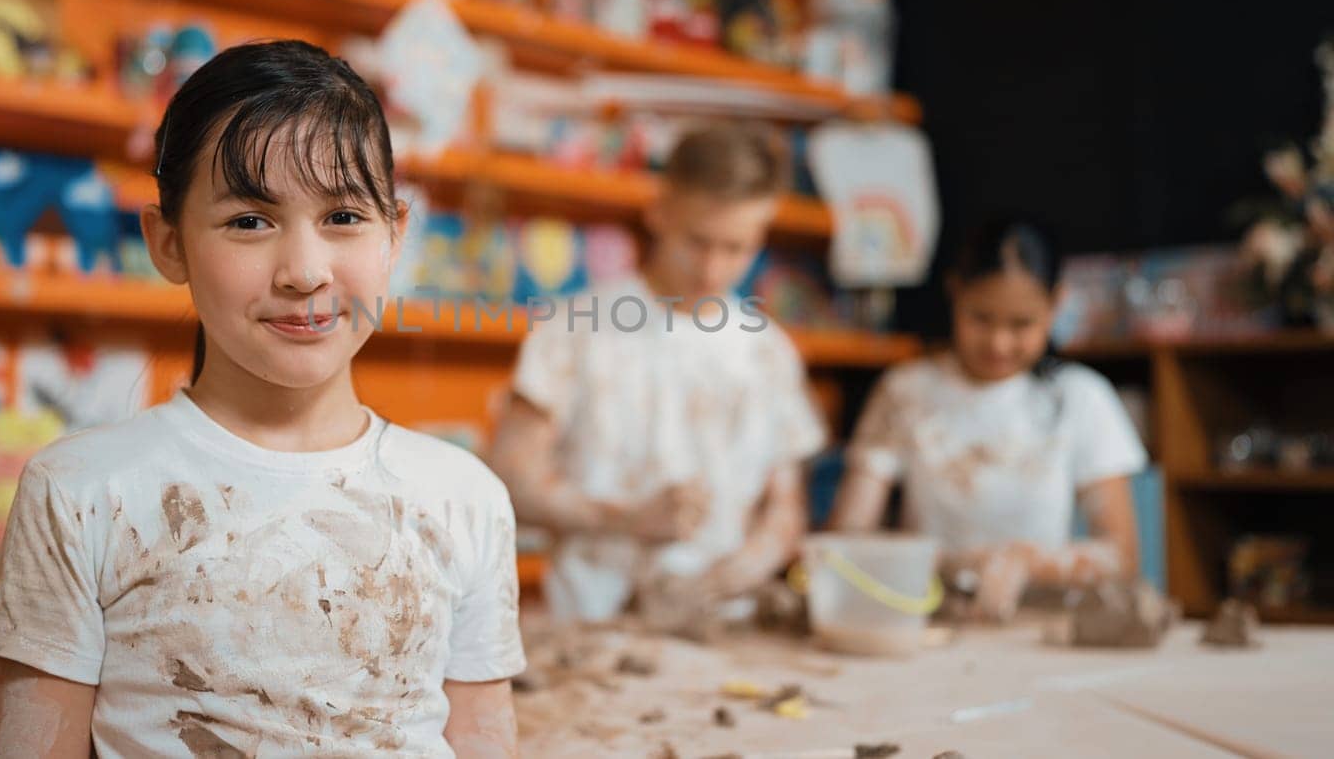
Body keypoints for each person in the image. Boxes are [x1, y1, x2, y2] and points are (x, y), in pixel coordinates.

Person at [0, 41, 524, 758]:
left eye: (343, 218)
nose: (304, 272)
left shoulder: (465, 498)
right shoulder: (81, 494)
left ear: (395, 234)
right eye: (249, 221)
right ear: (168, 243)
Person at [489, 125, 828, 624]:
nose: (713, 269)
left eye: (737, 248)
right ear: (660, 211)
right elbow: (509, 480)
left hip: (724, 628)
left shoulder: (769, 352)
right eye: (698, 241)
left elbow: (785, 513)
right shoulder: (576, 326)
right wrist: (629, 520)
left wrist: (716, 585)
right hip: (593, 629)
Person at [829, 219, 1147, 620]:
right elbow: (847, 536)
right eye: (981, 318)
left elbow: (1121, 555)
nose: (999, 342)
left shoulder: (1080, 399)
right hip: (926, 616)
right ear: (954, 293)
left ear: (1056, 305)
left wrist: (1027, 561)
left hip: (1041, 625)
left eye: (1021, 324)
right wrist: (937, 563)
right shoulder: (905, 392)